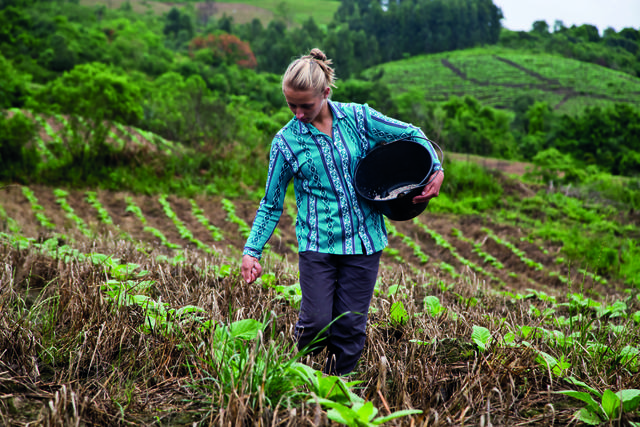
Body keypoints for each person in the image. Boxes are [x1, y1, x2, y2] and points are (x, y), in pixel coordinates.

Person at [241, 48, 443, 376]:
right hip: (318, 245)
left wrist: (436, 169)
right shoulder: (285, 143)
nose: (298, 113)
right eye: (291, 104)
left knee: (349, 329)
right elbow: (271, 202)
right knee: (317, 324)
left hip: (364, 242)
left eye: (305, 105)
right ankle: (295, 374)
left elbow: (411, 133)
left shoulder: (358, 118)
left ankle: (336, 390)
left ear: (325, 92)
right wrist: (252, 250)